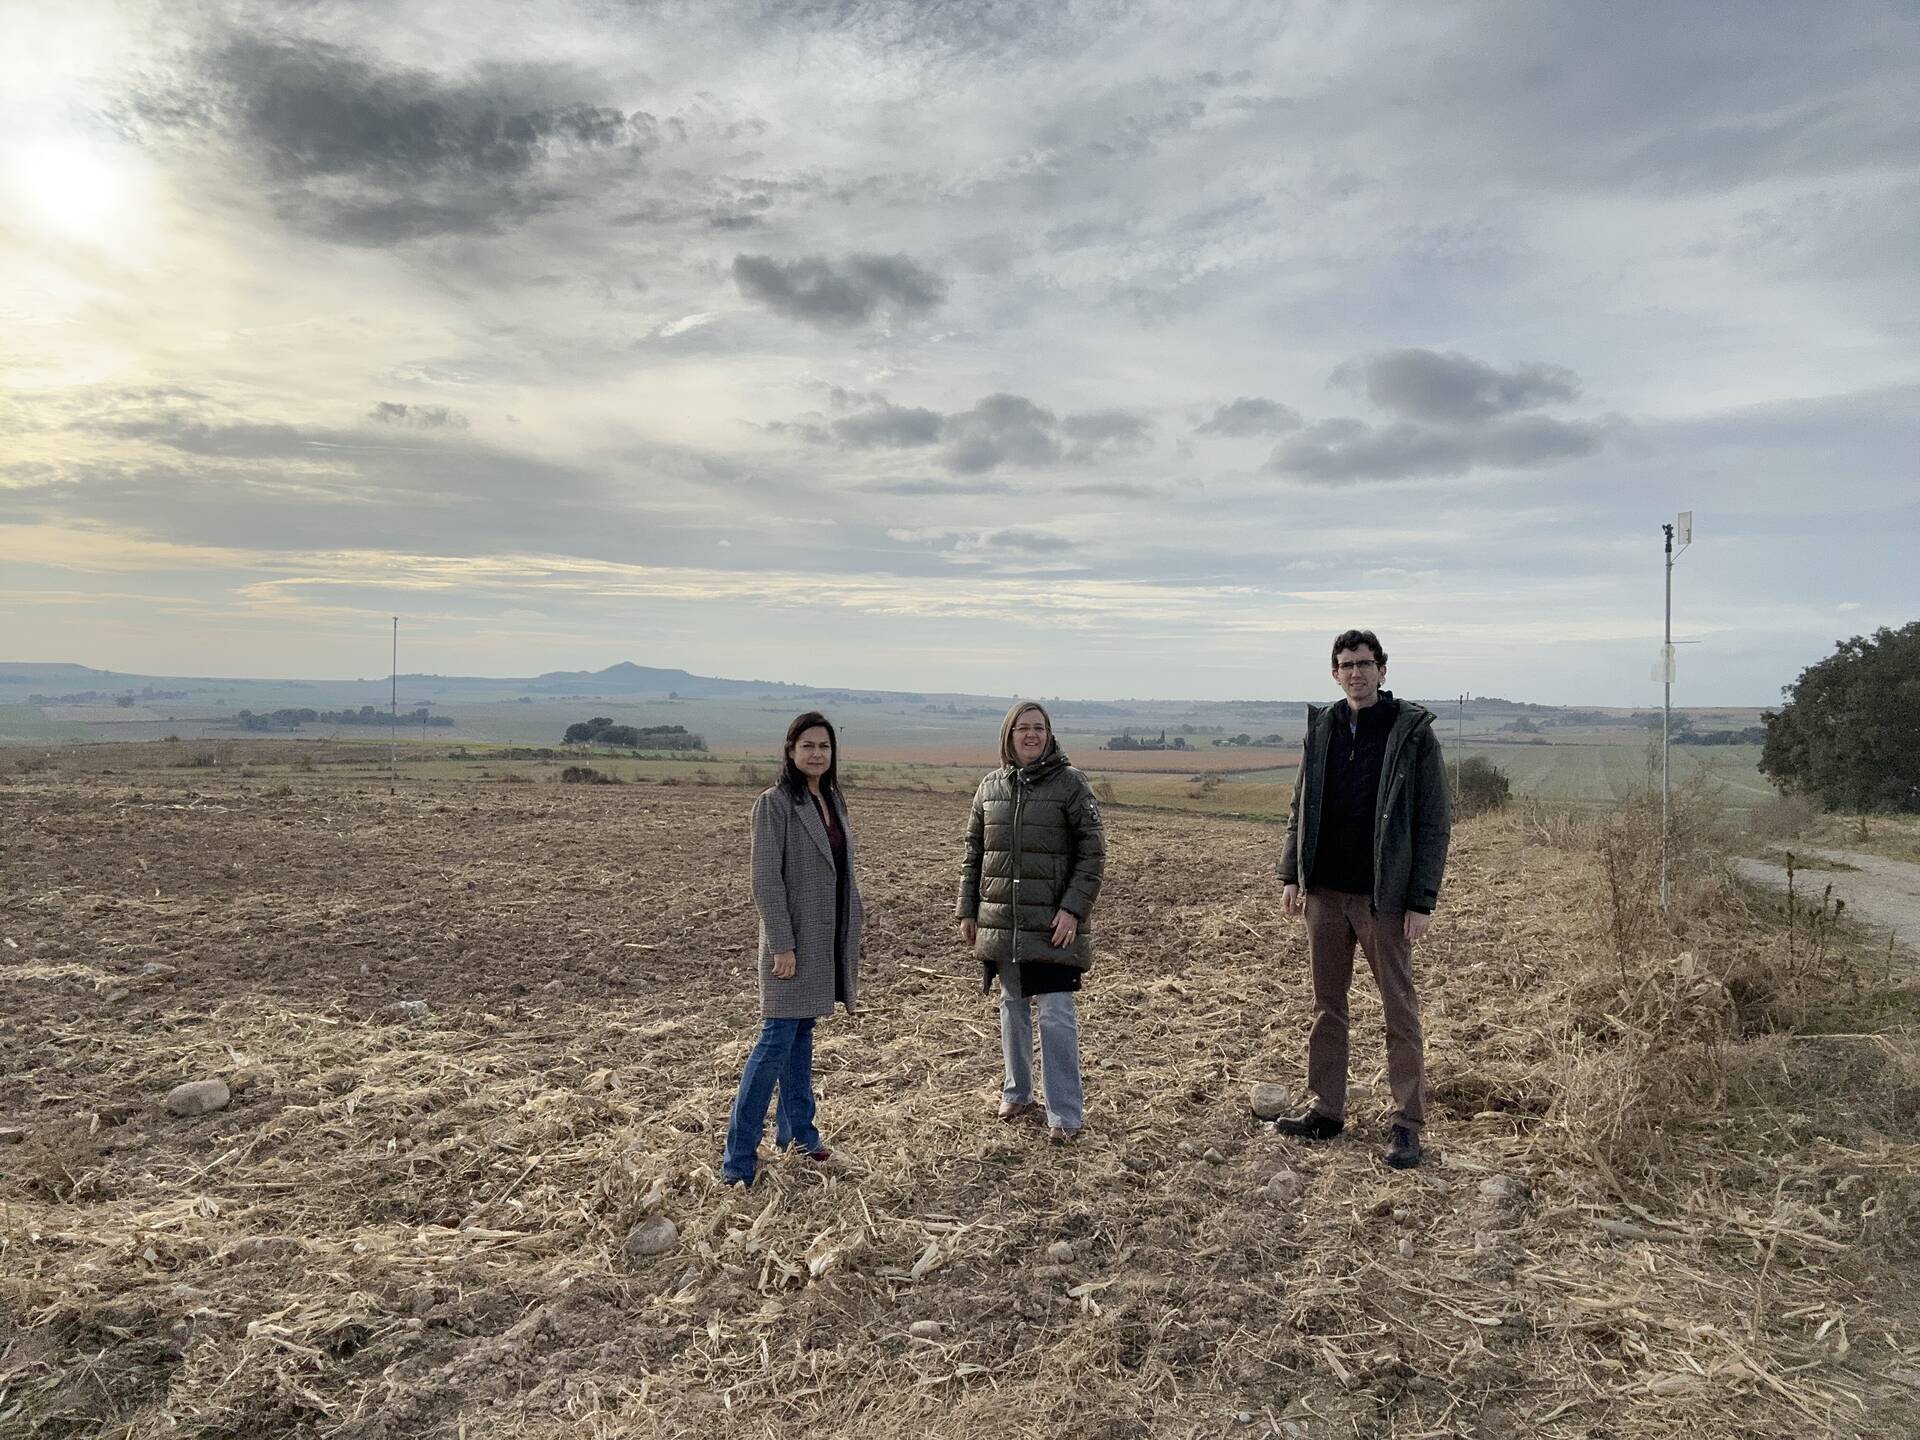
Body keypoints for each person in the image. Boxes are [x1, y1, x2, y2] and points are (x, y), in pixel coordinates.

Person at [1274, 629, 1451, 1170]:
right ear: (1335, 674)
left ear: (1382, 670)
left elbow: (1433, 821)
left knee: (1399, 1009)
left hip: (1384, 899)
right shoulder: (1322, 728)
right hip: (1325, 893)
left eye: (1365, 664)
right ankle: (1326, 1111)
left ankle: (1406, 1125)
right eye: (1347, 665)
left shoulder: (1412, 733)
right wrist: (1290, 872)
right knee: (1327, 1007)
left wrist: (1421, 899)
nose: (1356, 673)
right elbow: (1301, 804)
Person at [722, 711, 863, 1186]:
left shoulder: (832, 799)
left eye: (824, 746)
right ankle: (738, 1159)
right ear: (790, 750)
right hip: (792, 946)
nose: (817, 754)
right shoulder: (774, 804)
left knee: (801, 1036)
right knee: (774, 1043)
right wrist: (782, 945)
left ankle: (799, 1135)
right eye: (808, 746)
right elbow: (765, 880)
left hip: (823, 942)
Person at [957, 701, 1106, 1144]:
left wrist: (1073, 909)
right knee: (1013, 1007)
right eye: (1023, 728)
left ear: (1049, 734)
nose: (1031, 735)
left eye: (1039, 727)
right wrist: (968, 910)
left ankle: (1065, 1114)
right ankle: (1017, 1093)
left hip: (1053, 924)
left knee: (1056, 1015)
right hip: (1004, 922)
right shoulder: (990, 788)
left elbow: (1093, 854)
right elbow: (974, 855)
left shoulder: (1071, 784)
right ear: (1009, 735)